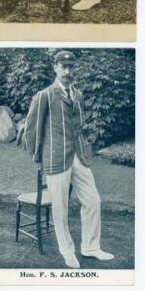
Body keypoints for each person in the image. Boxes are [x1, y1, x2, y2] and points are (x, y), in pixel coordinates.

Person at [24, 51, 114, 268]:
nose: (67, 71)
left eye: (71, 66)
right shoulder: (44, 95)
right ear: (55, 67)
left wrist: (84, 147)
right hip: (56, 158)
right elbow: (31, 129)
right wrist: (38, 156)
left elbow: (79, 126)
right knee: (60, 207)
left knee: (93, 200)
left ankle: (90, 247)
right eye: (63, 66)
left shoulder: (78, 95)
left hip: (78, 156)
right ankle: (67, 251)